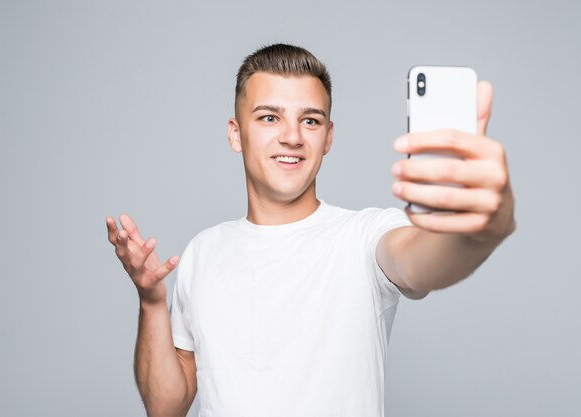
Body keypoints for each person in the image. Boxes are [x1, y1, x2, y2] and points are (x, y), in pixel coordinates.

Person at [105, 44, 515, 417]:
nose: (292, 137)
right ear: (236, 133)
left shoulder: (363, 236)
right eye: (269, 117)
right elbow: (165, 407)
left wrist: (482, 229)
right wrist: (152, 304)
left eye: (311, 120)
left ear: (328, 137)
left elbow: (421, 261)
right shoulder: (202, 251)